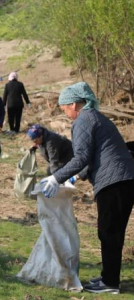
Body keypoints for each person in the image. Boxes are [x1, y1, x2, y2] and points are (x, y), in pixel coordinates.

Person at [41, 82, 134, 294]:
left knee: (109, 232)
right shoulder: (96, 117)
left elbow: (82, 156)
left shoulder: (84, 120)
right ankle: (108, 278)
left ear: (74, 104)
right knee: (112, 231)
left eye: (64, 107)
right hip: (123, 179)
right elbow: (93, 155)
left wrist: (55, 178)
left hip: (114, 181)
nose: (64, 112)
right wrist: (75, 176)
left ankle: (110, 283)